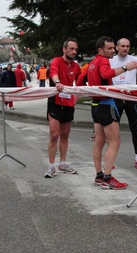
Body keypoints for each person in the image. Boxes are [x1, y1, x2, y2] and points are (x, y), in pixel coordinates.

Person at [85, 36, 137, 190]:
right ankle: (107, 178)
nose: (113, 51)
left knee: (99, 141)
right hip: (105, 103)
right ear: (100, 50)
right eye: (109, 48)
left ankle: (99, 175)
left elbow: (83, 78)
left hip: (95, 104)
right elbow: (106, 74)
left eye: (113, 47)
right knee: (115, 141)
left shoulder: (92, 63)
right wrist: (125, 68)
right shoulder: (102, 61)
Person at [110, 38, 137, 169]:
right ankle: (112, 160)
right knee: (112, 131)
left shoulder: (135, 60)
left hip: (131, 99)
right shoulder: (110, 61)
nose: (125, 48)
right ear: (117, 47)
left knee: (135, 129)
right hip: (116, 98)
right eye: (122, 46)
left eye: (127, 46)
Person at [44, 38, 82, 178]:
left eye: (75, 49)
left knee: (65, 135)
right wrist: (58, 82)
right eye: (71, 49)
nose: (73, 52)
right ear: (64, 49)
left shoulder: (76, 66)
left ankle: (63, 163)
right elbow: (53, 72)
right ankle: (51, 166)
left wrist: (76, 96)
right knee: (54, 135)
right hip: (55, 102)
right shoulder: (56, 61)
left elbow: (79, 82)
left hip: (68, 105)